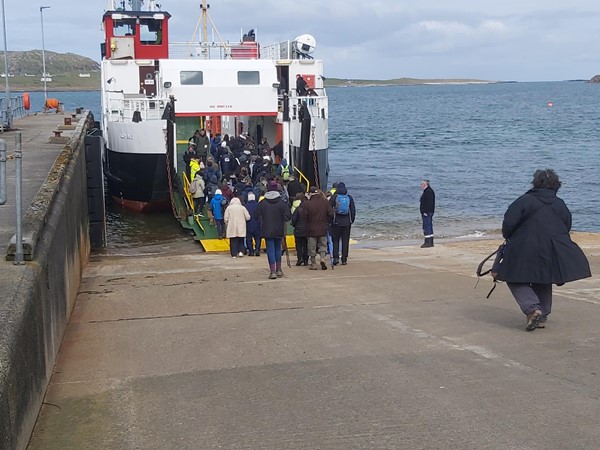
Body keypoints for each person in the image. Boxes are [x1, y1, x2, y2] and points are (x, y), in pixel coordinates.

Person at [496, 169, 591, 331]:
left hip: (524, 246)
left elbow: (508, 225)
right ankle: (542, 315)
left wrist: (510, 238)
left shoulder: (523, 201)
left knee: (512, 276)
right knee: (544, 278)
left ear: (535, 183)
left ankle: (532, 309)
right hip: (552, 247)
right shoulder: (560, 203)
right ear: (556, 185)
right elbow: (566, 226)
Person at [257, 181, 292, 279]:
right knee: (278, 249)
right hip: (279, 229)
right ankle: (279, 270)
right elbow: (288, 216)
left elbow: (256, 215)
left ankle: (272, 271)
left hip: (267, 229)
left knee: (270, 250)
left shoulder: (262, 203)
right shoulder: (282, 203)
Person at [303, 186, 334, 270]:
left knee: (311, 247)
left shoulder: (308, 204)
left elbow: (304, 216)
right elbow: (331, 213)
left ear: (310, 193)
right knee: (323, 245)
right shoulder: (325, 202)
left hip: (311, 229)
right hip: (323, 227)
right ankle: (323, 258)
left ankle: (313, 263)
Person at [329, 182, 356, 265]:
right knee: (345, 241)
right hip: (347, 223)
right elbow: (353, 210)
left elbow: (329, 209)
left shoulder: (334, 197)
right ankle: (344, 259)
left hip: (336, 222)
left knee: (335, 240)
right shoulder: (349, 197)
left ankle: (336, 258)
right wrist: (352, 221)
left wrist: (330, 220)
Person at [291, 192, 308, 266]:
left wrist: (295, 226)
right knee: (306, 245)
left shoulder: (298, 209)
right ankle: (306, 260)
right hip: (307, 230)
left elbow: (294, 220)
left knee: (298, 245)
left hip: (298, 230)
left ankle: (299, 258)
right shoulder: (309, 210)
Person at [420, 179, 435, 248]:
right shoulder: (428, 191)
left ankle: (428, 242)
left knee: (426, 227)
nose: (421, 186)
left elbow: (428, 203)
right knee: (429, 226)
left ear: (425, 184)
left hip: (427, 212)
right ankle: (430, 241)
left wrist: (425, 212)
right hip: (429, 211)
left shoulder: (428, 192)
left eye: (422, 184)